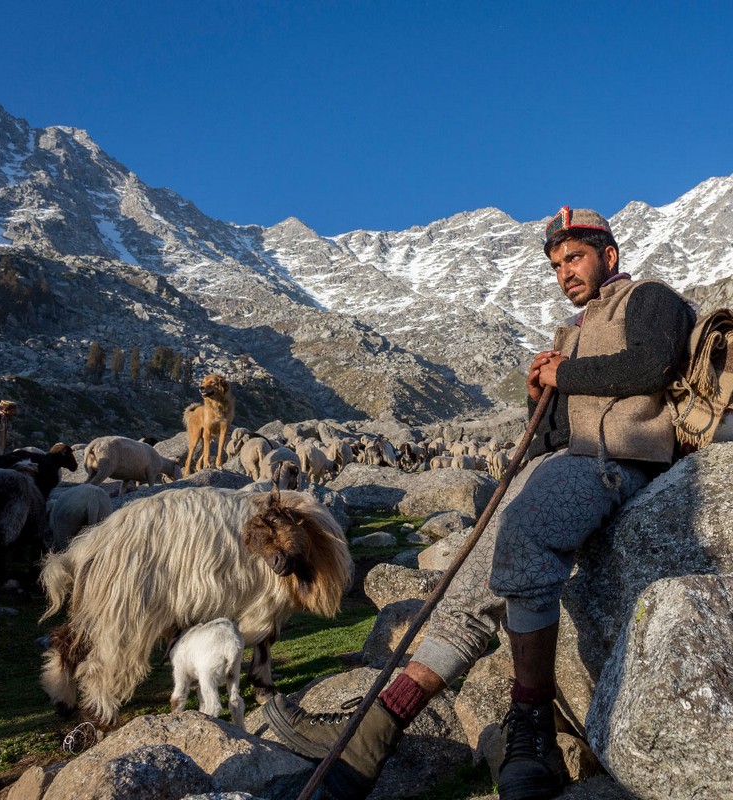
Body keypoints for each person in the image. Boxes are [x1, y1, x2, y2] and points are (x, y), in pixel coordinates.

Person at [265, 207, 697, 800]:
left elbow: (653, 364)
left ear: (609, 256)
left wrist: (564, 374)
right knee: (468, 585)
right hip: (562, 462)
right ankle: (372, 735)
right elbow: (547, 439)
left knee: (524, 532)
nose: (565, 272)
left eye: (575, 258)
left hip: (619, 460)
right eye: (555, 264)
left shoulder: (648, 299)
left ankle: (532, 735)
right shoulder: (569, 334)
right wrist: (536, 393)